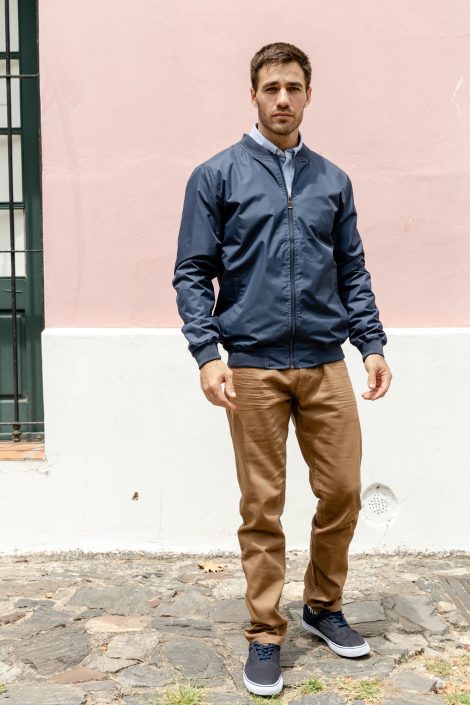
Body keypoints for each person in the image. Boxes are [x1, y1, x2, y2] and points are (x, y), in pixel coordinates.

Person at [172, 42, 392, 697]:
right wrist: (208, 354)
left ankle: (323, 606)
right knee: (262, 505)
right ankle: (266, 632)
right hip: (252, 367)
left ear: (309, 95)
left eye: (293, 87)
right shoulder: (216, 175)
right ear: (254, 95)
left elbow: (351, 269)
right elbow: (192, 272)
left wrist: (371, 343)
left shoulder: (333, 180)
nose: (282, 99)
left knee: (343, 491)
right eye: (271, 88)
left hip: (324, 362)